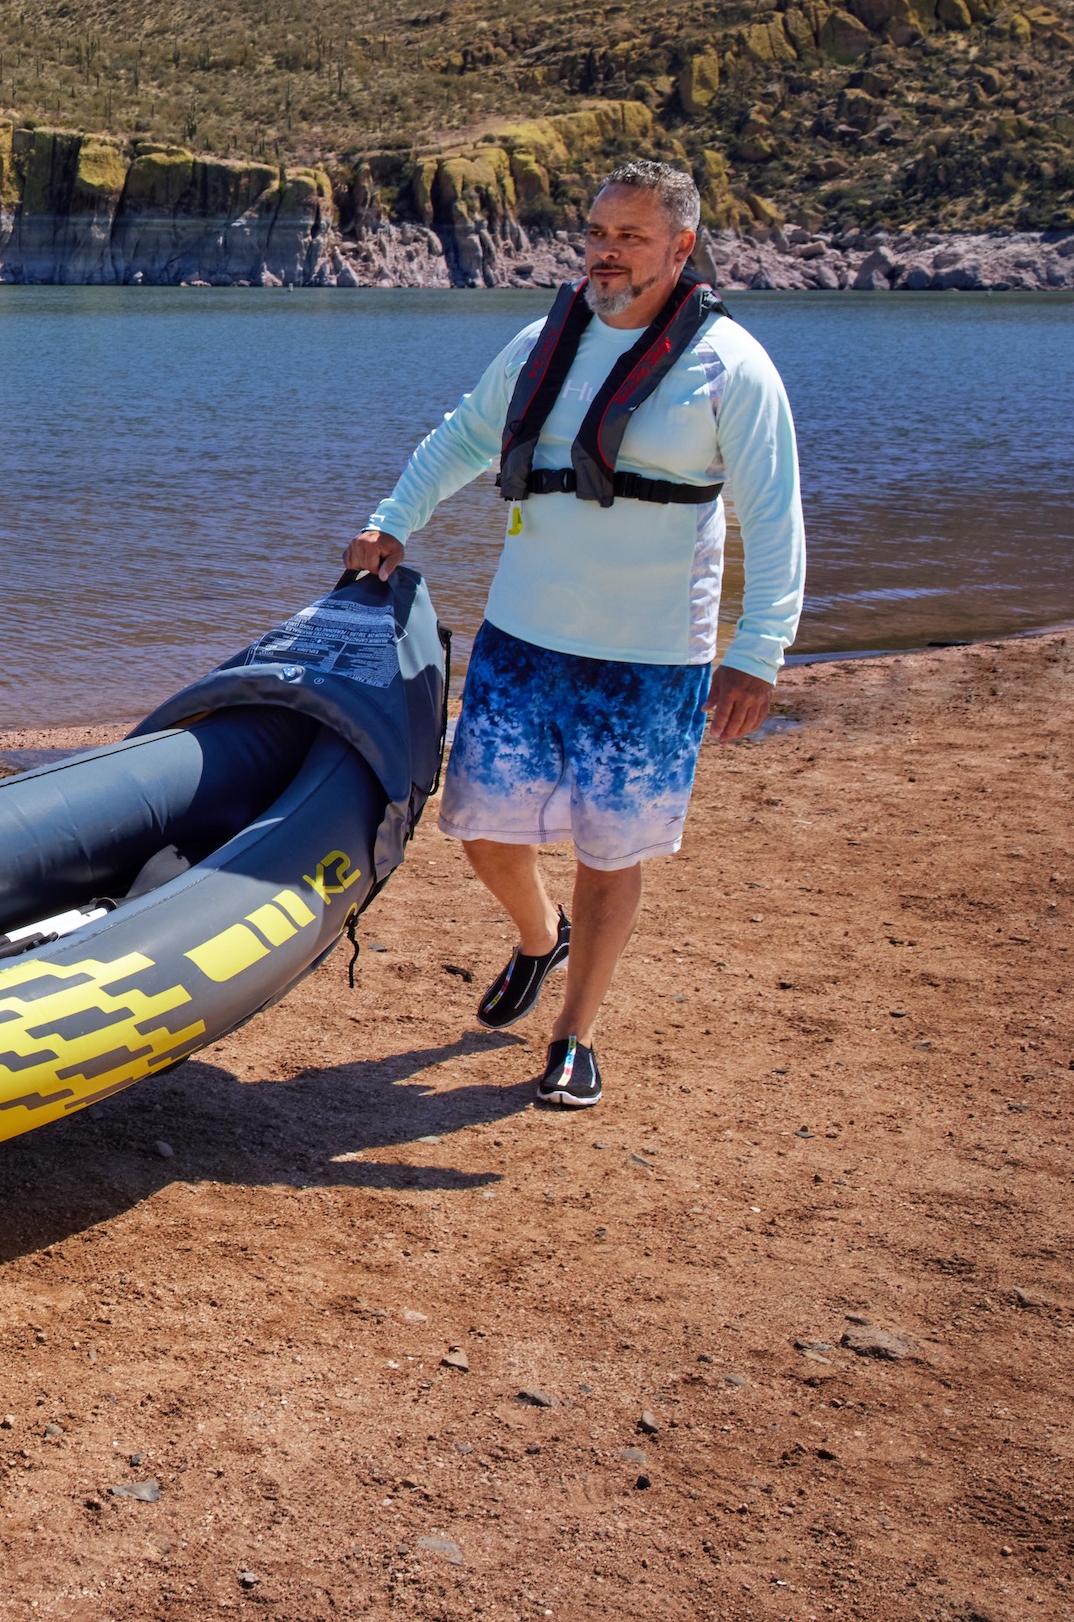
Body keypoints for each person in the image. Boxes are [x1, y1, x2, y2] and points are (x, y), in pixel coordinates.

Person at [343, 161, 803, 1110]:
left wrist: (757, 651)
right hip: (525, 637)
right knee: (477, 825)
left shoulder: (733, 367)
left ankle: (574, 1034)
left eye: (631, 236)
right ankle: (537, 936)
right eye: (597, 232)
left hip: (652, 659)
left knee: (612, 849)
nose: (605, 252)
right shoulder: (539, 344)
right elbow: (465, 437)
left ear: (682, 248)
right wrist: (395, 517)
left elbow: (778, 515)